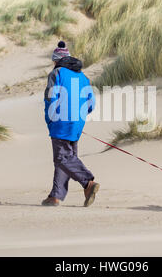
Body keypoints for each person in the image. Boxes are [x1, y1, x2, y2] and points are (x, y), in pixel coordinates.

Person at [42, 41, 99, 207]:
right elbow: (91, 104)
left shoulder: (56, 73)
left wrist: (50, 119)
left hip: (60, 121)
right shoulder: (83, 76)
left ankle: (88, 182)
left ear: (57, 60)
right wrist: (78, 117)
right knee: (66, 158)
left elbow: (50, 98)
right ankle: (55, 196)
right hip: (77, 123)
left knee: (62, 157)